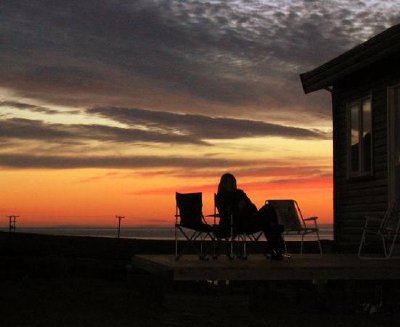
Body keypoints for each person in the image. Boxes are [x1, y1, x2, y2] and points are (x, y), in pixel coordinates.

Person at [214, 173, 285, 260]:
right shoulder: (221, 197)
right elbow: (226, 212)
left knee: (268, 208)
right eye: (229, 181)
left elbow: (253, 207)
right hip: (236, 224)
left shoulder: (240, 193)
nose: (232, 183)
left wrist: (244, 206)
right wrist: (239, 207)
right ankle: (274, 245)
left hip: (250, 219)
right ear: (224, 183)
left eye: (233, 181)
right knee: (268, 224)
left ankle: (273, 236)